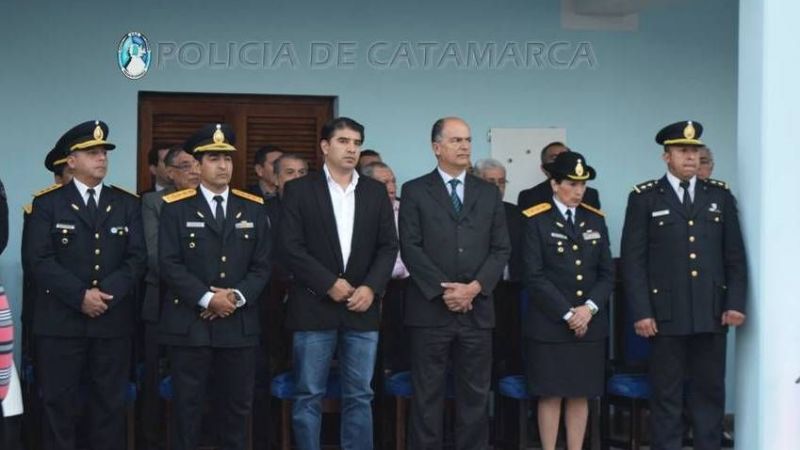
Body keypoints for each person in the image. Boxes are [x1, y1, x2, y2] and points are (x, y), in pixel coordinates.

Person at [621, 120, 747, 450]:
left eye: (694, 151)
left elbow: (734, 256)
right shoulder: (645, 198)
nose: (690, 157)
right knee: (666, 397)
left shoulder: (719, 195)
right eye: (682, 151)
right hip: (665, 316)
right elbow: (634, 262)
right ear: (666, 157)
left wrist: (735, 302)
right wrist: (642, 312)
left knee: (709, 394)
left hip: (711, 312)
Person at [26, 120, 146, 450]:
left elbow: (137, 258)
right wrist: (80, 296)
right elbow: (39, 260)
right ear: (71, 160)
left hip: (111, 320)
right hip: (61, 323)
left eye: (104, 153)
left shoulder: (125, 203)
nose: (102, 158)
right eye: (92, 153)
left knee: (109, 405)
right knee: (59, 406)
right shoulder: (47, 204)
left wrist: (105, 294)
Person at [280, 117, 397, 450]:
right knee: (308, 394)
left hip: (362, 306)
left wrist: (371, 287)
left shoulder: (374, 192)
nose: (351, 149)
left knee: (360, 394)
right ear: (325, 146)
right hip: (314, 306)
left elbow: (388, 245)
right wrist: (328, 282)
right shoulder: (300, 189)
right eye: (344, 141)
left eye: (357, 143)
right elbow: (290, 247)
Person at [399, 117, 510, 449]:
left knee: (475, 396)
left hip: (477, 309)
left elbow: (501, 247)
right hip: (430, 309)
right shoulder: (415, 190)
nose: (464, 146)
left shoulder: (488, 192)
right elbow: (411, 246)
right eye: (456, 140)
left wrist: (474, 288)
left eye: (468, 140)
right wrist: (445, 291)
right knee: (427, 396)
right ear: (437, 147)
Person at [158, 124, 271, 450]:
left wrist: (233, 298)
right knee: (187, 409)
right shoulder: (176, 207)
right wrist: (208, 299)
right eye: (213, 158)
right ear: (197, 164)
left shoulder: (252, 206)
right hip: (190, 325)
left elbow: (262, 265)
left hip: (238, 325)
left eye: (227, 159)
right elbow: (169, 263)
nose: (223, 166)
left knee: (236, 410)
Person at [521, 151, 613, 450]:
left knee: (580, 393)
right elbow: (533, 276)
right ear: (555, 184)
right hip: (551, 324)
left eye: (582, 185)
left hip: (590, 323)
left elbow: (606, 274)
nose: (578, 191)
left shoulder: (595, 220)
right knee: (550, 394)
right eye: (572, 184)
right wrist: (567, 314)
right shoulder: (536, 220)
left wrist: (588, 309)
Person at [139, 145, 199, 450]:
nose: (195, 171)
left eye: (197, 164)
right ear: (170, 173)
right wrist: (198, 289)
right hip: (162, 301)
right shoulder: (153, 203)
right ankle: (152, 441)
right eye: (186, 166)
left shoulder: (216, 202)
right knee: (154, 378)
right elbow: (154, 254)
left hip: (208, 308)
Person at [473, 158, 525, 378]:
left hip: (511, 293)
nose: (497, 187)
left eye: (501, 182)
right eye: (490, 181)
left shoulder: (517, 214)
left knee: (513, 358)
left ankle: (511, 413)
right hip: (478, 295)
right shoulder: (466, 214)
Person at [362, 161, 410, 373]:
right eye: (384, 182)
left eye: (393, 181)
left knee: (400, 350)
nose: (391, 187)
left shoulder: (407, 209)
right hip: (368, 288)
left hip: (402, 288)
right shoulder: (357, 211)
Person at [517, 142, 601, 210]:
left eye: (565, 157)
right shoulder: (529, 196)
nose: (560, 162)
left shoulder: (590, 195)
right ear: (543, 168)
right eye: (554, 158)